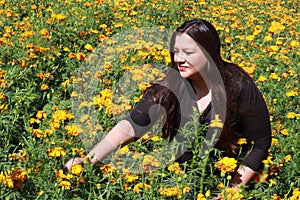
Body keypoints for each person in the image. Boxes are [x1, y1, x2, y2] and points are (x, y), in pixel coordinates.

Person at [64, 19, 271, 191]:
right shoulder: (172, 84)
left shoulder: (238, 85)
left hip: (230, 181)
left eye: (188, 52)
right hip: (184, 184)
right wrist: (89, 159)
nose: (178, 59)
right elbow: (133, 124)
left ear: (208, 52)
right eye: (175, 51)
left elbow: (260, 144)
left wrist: (230, 193)